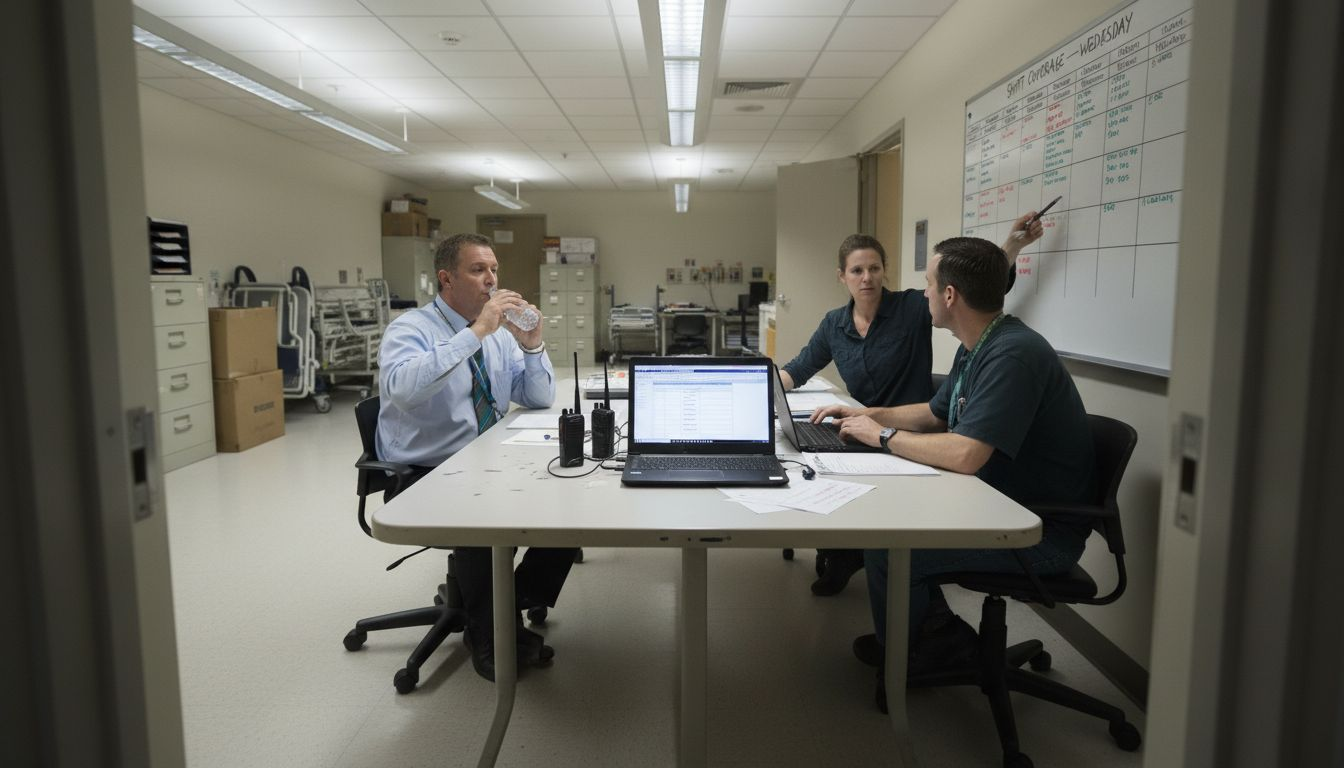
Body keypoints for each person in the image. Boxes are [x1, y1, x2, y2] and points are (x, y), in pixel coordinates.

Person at [811, 236, 1095, 712]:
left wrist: (881, 437)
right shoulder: (979, 344)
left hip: (1037, 531)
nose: (923, 293)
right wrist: (866, 415)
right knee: (890, 519)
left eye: (928, 283)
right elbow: (934, 414)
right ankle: (926, 637)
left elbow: (965, 455)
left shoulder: (1013, 354)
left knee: (888, 548)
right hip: (996, 504)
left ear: (949, 295)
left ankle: (921, 653)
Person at [779, 216, 1043, 596]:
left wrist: (1011, 248)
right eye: (857, 270)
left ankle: (906, 602)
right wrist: (859, 414)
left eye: (874, 268)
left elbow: (976, 282)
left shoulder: (924, 313)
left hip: (925, 441)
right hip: (888, 429)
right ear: (842, 277)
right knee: (823, 459)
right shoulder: (837, 324)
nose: (867, 278)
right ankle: (845, 553)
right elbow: (801, 367)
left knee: (881, 536)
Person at [376, 232, 578, 682]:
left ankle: (507, 600)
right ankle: (490, 634)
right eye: (478, 270)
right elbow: (404, 390)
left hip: (488, 459)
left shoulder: (498, 335)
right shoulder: (410, 329)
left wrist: (531, 344)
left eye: (494, 270)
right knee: (483, 519)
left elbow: (539, 396)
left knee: (572, 498)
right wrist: (476, 333)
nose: (491, 280)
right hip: (426, 470)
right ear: (446, 278)